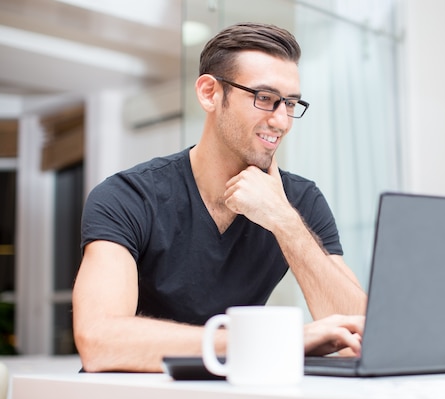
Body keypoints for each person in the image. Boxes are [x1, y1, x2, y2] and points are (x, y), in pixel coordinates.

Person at [72, 22, 368, 373]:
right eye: (265, 98)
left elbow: (361, 332)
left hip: (234, 394)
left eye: (290, 103)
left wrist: (285, 221)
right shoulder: (127, 196)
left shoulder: (299, 201)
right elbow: (99, 341)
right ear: (210, 93)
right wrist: (272, 341)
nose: (282, 120)